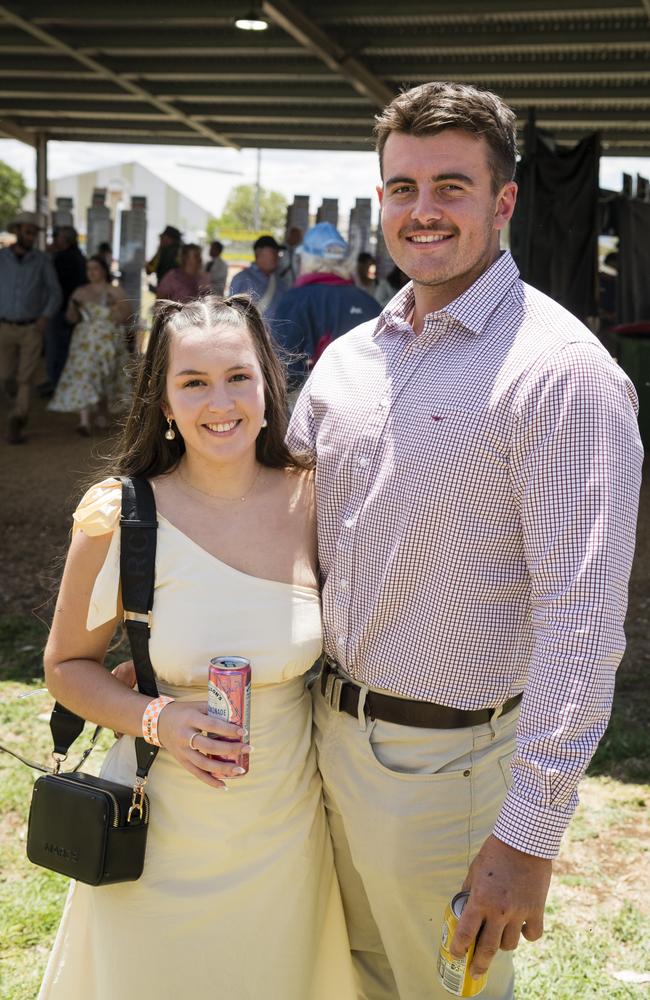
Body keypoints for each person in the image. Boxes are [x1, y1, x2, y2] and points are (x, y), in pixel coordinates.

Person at [287, 80, 643, 1000]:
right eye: (403, 188)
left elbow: (584, 621)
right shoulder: (351, 360)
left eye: (452, 186)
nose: (424, 211)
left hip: (443, 775)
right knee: (346, 980)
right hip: (315, 745)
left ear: (505, 201)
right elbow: (275, 520)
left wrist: (527, 837)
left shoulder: (561, 375)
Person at [38, 294, 356, 1000]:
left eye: (238, 376)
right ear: (165, 404)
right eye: (194, 382)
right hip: (157, 831)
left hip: (285, 831)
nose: (221, 401)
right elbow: (65, 667)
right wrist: (158, 718)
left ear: (269, 388)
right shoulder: (118, 515)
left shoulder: (316, 502)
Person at [273, 222, 381, 389]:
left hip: (314, 406)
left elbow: (284, 371)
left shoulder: (295, 300)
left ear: (306, 259)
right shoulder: (369, 302)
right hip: (369, 403)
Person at [48, 255, 131, 435]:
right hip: (85, 341)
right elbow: (71, 318)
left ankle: (102, 412)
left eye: (95, 269)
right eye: (89, 269)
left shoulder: (115, 291)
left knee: (105, 375)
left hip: (108, 340)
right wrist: (73, 309)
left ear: (103, 270)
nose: (92, 273)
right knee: (84, 375)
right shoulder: (80, 292)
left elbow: (126, 317)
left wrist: (114, 307)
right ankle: (84, 420)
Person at [0, 211, 62, 443]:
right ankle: (15, 401)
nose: (31, 236)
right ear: (17, 231)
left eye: (34, 232)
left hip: (31, 328)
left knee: (25, 378)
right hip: (4, 326)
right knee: (5, 376)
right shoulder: (2, 258)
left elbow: (55, 292)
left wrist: (45, 316)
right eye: (28, 231)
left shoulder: (42, 260)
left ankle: (17, 419)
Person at [42, 226, 87, 393]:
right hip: (70, 309)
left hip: (59, 309)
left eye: (57, 236)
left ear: (65, 239)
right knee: (62, 347)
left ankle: (56, 384)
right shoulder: (78, 257)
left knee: (56, 348)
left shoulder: (62, 258)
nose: (54, 239)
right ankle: (56, 381)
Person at [229, 234, 285, 330]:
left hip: (279, 342)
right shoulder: (242, 279)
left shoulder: (280, 281)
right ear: (259, 252)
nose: (277, 256)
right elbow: (235, 317)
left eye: (278, 252)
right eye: (273, 251)